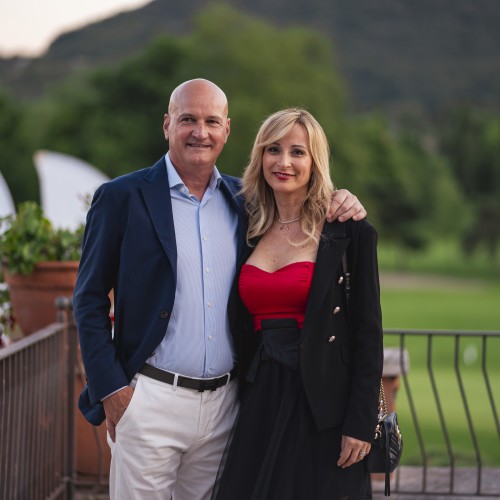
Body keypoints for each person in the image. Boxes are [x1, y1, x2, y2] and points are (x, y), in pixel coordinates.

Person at [73, 79, 367, 500]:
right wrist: (113, 391)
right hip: (150, 400)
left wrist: (343, 199)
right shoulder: (121, 198)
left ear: (227, 129)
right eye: (188, 120)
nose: (200, 132)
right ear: (167, 124)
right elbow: (88, 300)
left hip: (226, 408)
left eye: (212, 121)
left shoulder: (245, 201)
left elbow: (300, 208)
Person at [211, 108, 383, 500]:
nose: (283, 162)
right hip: (260, 400)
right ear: (260, 156)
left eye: (297, 152)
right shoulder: (246, 225)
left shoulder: (349, 231)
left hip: (324, 408)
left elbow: (368, 334)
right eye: (273, 149)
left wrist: (360, 424)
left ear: (314, 161)